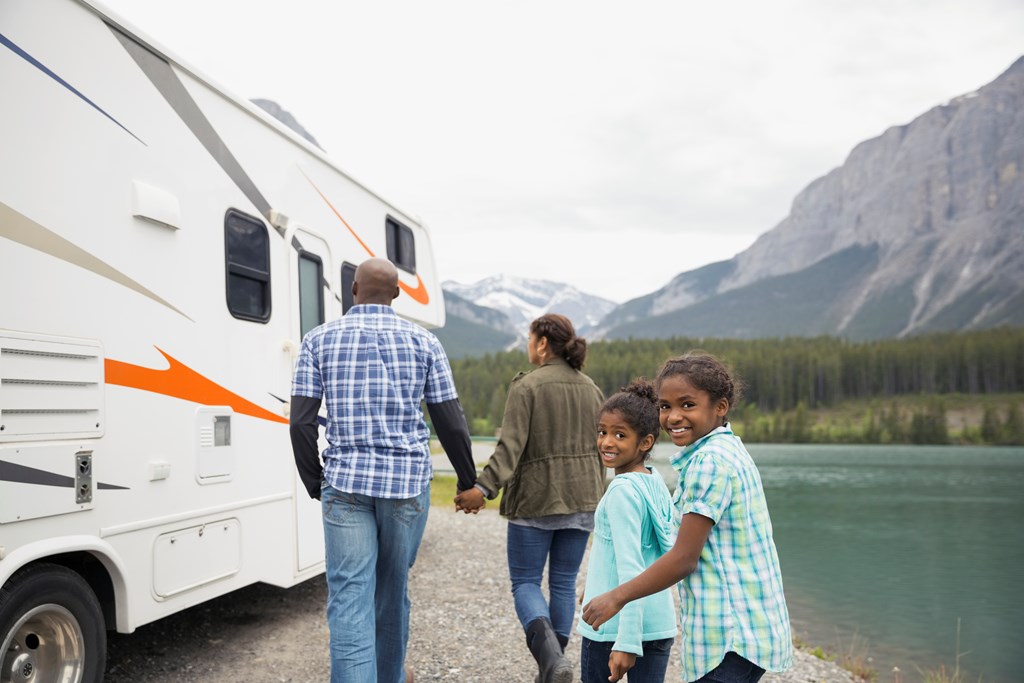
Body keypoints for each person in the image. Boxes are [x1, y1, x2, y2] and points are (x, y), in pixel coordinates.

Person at [289, 257, 477, 683]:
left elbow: (301, 420)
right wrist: (468, 480)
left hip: (346, 484)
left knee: (350, 595)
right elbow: (450, 419)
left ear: (353, 291)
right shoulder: (424, 342)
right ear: (396, 294)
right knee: (392, 592)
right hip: (406, 486)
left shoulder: (318, 340)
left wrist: (315, 480)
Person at [581, 352, 793, 683]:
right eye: (665, 406)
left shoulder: (708, 463)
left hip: (730, 633)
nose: (674, 416)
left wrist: (617, 597)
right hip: (752, 627)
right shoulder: (728, 450)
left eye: (687, 405)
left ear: (720, 407)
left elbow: (683, 559)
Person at [454, 314, 604, 683]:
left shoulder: (528, 386)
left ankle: (552, 663)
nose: (527, 345)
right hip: (585, 497)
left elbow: (511, 447)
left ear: (541, 344)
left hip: (538, 498)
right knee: (565, 583)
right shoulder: (592, 388)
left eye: (529, 338)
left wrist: (482, 489)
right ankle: (555, 666)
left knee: (525, 582)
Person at [577, 379, 677, 683]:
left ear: (644, 442)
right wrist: (593, 586)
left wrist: (627, 642)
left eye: (620, 435)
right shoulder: (654, 480)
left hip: (615, 628)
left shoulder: (622, 491)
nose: (607, 442)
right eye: (602, 432)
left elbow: (631, 567)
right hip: (658, 623)